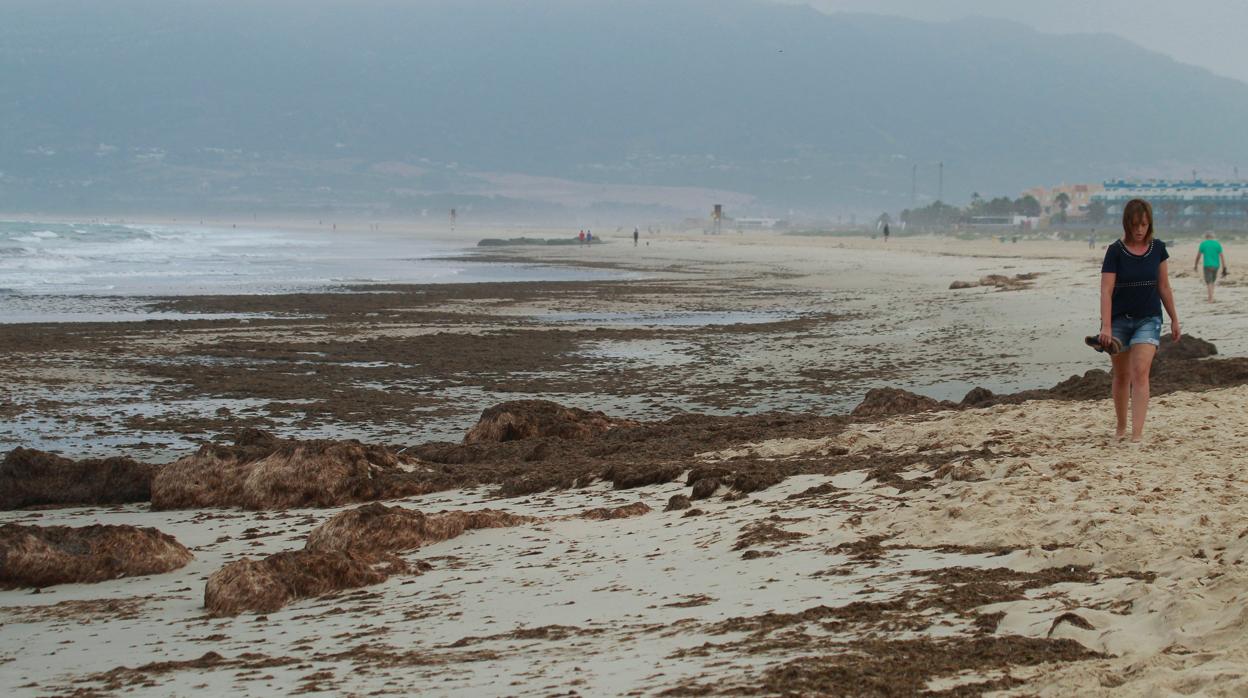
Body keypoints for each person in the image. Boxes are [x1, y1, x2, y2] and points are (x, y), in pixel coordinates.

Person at [1097, 198, 1180, 443]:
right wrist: (1106, 326)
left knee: (1140, 372)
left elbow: (1164, 287)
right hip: (1119, 321)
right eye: (1135, 224)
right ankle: (1121, 428)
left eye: (1143, 224)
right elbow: (1106, 290)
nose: (1139, 229)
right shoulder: (1115, 251)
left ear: (1149, 224)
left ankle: (1137, 435)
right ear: (1127, 224)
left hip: (1149, 319)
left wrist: (1175, 319)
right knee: (1121, 375)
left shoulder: (1158, 249)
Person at [1194, 231, 1228, 302]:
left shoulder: (1203, 244)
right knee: (1212, 281)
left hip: (1207, 265)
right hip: (1216, 265)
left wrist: (1196, 265)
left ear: (1206, 237)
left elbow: (1198, 256)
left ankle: (1210, 298)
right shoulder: (1217, 244)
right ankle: (1211, 296)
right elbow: (1222, 256)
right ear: (1213, 237)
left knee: (1209, 282)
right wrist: (1224, 267)